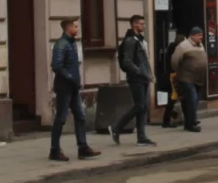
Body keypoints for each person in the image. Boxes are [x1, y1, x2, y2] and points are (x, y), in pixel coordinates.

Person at [50, 17, 100, 162]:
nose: (78, 29)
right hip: (64, 87)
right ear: (68, 28)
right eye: (75, 27)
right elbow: (57, 66)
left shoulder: (71, 44)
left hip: (72, 87)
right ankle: (54, 150)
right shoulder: (61, 44)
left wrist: (75, 81)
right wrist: (71, 77)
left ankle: (83, 147)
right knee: (61, 118)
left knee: (81, 116)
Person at [110, 15, 156, 147]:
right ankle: (116, 127)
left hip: (143, 77)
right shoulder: (131, 41)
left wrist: (149, 74)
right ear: (134, 25)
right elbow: (127, 61)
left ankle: (141, 137)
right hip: (136, 78)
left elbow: (144, 60)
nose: (144, 26)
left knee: (143, 107)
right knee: (140, 106)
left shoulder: (140, 40)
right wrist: (140, 72)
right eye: (142, 24)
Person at [170, 27, 207, 132]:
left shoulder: (200, 45)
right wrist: (180, 72)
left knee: (191, 101)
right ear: (192, 35)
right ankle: (191, 124)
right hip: (186, 77)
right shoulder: (183, 46)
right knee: (192, 100)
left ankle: (190, 121)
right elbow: (174, 61)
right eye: (199, 35)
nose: (201, 37)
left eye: (202, 35)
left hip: (198, 78)